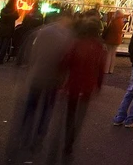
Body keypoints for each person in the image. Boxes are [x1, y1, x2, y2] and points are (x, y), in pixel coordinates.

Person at [9, 12, 75, 157]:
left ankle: (24, 132)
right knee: (46, 108)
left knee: (31, 105)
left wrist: (31, 67)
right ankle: (39, 135)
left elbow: (30, 52)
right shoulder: (68, 37)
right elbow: (66, 60)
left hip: (37, 75)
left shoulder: (43, 31)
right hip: (53, 79)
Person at [52, 17, 105, 162]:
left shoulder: (77, 44)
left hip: (74, 84)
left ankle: (65, 139)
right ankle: (71, 140)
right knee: (80, 116)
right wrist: (99, 85)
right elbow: (101, 69)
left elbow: (65, 62)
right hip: (87, 86)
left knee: (70, 113)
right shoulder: (100, 48)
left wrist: (60, 75)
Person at [0, 0, 19, 64]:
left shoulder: (3, 10)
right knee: (5, 45)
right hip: (8, 30)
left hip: (1, 29)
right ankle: (1, 59)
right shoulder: (14, 12)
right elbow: (17, 17)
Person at [103, 9, 125, 74]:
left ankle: (106, 69)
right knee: (113, 54)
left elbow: (109, 29)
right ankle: (111, 69)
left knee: (109, 54)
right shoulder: (121, 21)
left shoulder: (113, 21)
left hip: (110, 38)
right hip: (117, 39)